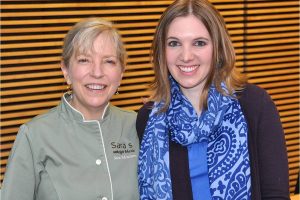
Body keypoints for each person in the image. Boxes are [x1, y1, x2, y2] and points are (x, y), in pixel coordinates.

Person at [136, 0, 290, 199]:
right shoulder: (148, 118)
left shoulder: (255, 105)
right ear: (161, 52)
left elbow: (275, 194)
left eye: (199, 43)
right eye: (174, 43)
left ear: (218, 48)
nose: (186, 56)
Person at [1, 18, 139, 200]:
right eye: (84, 60)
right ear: (65, 70)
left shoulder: (138, 126)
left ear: (121, 73)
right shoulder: (34, 135)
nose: (97, 72)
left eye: (109, 61)